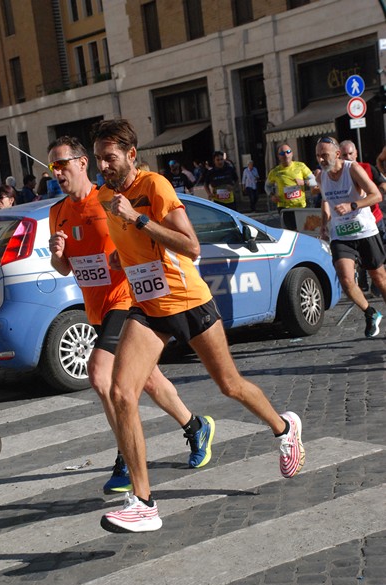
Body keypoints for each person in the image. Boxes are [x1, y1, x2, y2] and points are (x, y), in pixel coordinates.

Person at [92, 118, 305, 534]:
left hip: (189, 301)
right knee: (121, 392)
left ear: (131, 155)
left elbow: (190, 247)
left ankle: (285, 428)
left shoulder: (154, 188)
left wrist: (137, 220)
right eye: (99, 158)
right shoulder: (104, 196)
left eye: (110, 157)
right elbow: (133, 246)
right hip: (148, 306)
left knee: (230, 384)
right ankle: (144, 503)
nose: (103, 165)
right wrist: (123, 256)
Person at [48, 136, 215, 495]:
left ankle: (126, 455)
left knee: (99, 374)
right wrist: (57, 253)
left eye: (62, 163)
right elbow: (63, 269)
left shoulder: (106, 199)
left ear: (82, 164)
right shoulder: (57, 212)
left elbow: (139, 240)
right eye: (52, 166)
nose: (57, 171)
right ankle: (195, 426)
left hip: (126, 298)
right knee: (149, 379)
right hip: (96, 305)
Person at [316, 136, 386, 338]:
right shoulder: (321, 177)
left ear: (337, 154)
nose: (321, 160)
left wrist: (352, 205)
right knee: (346, 279)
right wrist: (323, 225)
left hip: (364, 230)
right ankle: (370, 312)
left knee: (379, 278)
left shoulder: (352, 169)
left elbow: (376, 195)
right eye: (318, 156)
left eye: (324, 155)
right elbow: (326, 202)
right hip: (341, 235)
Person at [339, 139, 386, 295]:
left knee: (377, 258)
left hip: (375, 219)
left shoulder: (367, 168)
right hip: (354, 222)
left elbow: (382, 183)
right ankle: (364, 283)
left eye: (350, 154)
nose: (348, 157)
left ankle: (376, 284)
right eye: (344, 154)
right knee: (359, 255)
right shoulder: (338, 174)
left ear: (356, 153)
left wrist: (379, 192)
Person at [264, 144, 317, 212]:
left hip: (300, 206)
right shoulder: (275, 171)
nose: (286, 155)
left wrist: (304, 182)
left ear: (292, 153)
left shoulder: (300, 166)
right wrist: (272, 195)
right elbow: (267, 186)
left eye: (288, 152)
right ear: (278, 156)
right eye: (282, 153)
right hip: (284, 208)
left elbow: (315, 180)